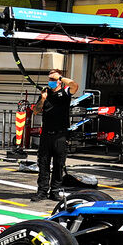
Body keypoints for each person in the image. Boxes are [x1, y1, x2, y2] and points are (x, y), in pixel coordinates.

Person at [31, 69, 80, 201]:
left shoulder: (65, 92)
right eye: (49, 79)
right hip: (46, 135)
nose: (50, 82)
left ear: (59, 80)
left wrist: (60, 77)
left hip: (61, 135)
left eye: (53, 79)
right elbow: (35, 111)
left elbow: (75, 85)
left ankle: (55, 191)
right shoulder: (45, 92)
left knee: (59, 164)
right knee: (43, 164)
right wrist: (42, 99)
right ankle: (42, 191)